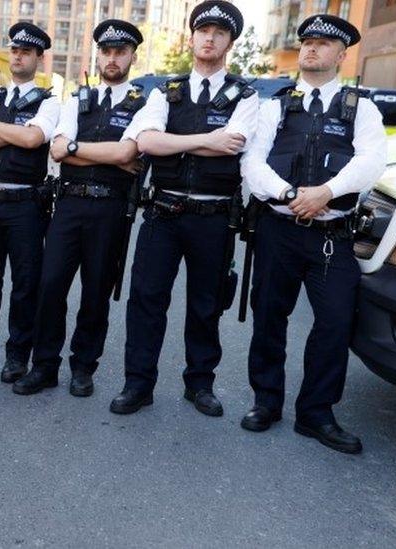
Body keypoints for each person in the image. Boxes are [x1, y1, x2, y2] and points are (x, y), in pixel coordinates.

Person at [240, 15, 386, 454]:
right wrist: (289, 193)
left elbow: (371, 161)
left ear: (341, 55)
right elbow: (253, 163)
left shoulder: (361, 108)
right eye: (307, 42)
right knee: (269, 317)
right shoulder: (275, 106)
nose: (310, 49)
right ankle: (266, 402)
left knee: (335, 323)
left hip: (332, 236)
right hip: (278, 230)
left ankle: (316, 413)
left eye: (322, 44)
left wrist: (327, 191)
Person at [112, 1, 258, 416]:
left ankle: (200, 384)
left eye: (219, 32)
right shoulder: (165, 92)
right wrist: (207, 140)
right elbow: (146, 143)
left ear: (230, 42)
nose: (209, 38)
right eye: (203, 31)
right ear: (191, 38)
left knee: (206, 304)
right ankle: (137, 384)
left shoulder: (244, 96)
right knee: (146, 300)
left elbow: (236, 141)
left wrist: (177, 139)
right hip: (163, 212)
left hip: (213, 217)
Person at [14, 20, 145, 396]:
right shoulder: (77, 99)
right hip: (68, 205)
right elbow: (57, 149)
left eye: (121, 52)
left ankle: (83, 367)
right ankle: (44, 366)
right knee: (50, 285)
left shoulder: (144, 103)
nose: (113, 59)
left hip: (110, 210)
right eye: (107, 51)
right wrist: (101, 154)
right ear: (98, 55)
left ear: (132, 56)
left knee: (95, 292)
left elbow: (129, 153)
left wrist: (80, 150)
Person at [0, 23, 60, 384]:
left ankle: (17, 354)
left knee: (25, 285)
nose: (18, 56)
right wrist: (11, 131)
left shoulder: (49, 102)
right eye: (14, 50)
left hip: (25, 205)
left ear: (38, 58)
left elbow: (34, 139)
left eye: (26, 52)